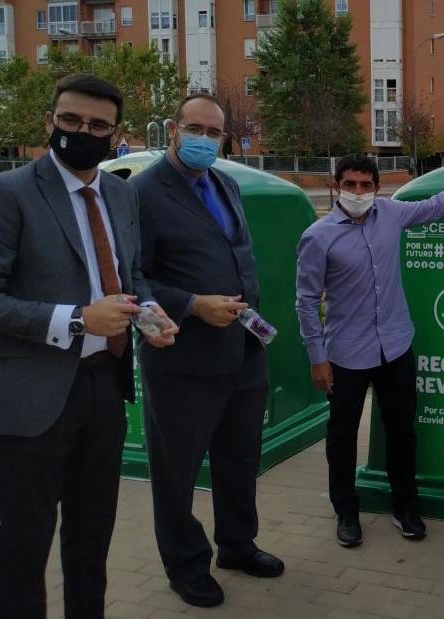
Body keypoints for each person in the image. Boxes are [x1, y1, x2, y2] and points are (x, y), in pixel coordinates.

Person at [0, 74, 177, 619]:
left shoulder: (122, 194)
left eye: (97, 125)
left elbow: (131, 277)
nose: (82, 132)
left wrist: (149, 312)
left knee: (92, 535)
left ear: (116, 134)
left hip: (102, 390)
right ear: (49, 122)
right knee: (24, 542)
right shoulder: (2, 192)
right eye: (70, 121)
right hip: (28, 397)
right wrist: (79, 319)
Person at [295, 153, 444, 548]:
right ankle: (346, 511)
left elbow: (437, 205)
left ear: (377, 188)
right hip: (345, 354)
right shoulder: (318, 236)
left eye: (365, 185)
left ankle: (405, 507)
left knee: (402, 431)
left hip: (395, 347)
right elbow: (306, 300)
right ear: (336, 186)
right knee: (341, 435)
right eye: (350, 184)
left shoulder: (391, 215)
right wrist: (317, 357)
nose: (358, 192)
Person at [133, 94, 282, 608]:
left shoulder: (225, 182)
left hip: (242, 350)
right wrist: (191, 304)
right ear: (173, 129)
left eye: (213, 132)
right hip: (183, 360)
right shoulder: (144, 192)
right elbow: (134, 276)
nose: (203, 139)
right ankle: (185, 564)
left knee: (240, 459)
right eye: (193, 128)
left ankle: (237, 545)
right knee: (176, 469)